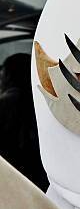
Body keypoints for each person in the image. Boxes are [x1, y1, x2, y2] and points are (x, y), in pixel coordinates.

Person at [0, 53, 48, 190]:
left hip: (11, 174)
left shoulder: (5, 104)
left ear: (9, 75)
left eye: (2, 73)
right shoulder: (40, 103)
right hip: (39, 174)